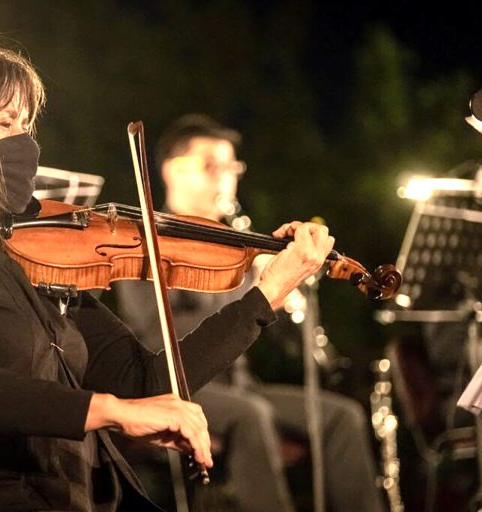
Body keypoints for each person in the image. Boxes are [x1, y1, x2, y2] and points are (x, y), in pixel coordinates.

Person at [0, 38, 334, 511]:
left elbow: (144, 381)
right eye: (4, 123)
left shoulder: (25, 254)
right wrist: (110, 411)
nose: (25, 142)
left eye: (26, 124)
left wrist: (268, 292)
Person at [112, 114, 386, 512]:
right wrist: (258, 293)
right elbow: (157, 337)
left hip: (241, 385)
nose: (224, 180)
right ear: (172, 169)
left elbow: (296, 350)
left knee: (342, 416)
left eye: (231, 168)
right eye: (212, 167)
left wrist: (291, 299)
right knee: (251, 414)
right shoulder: (145, 239)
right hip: (185, 385)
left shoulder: (238, 245)